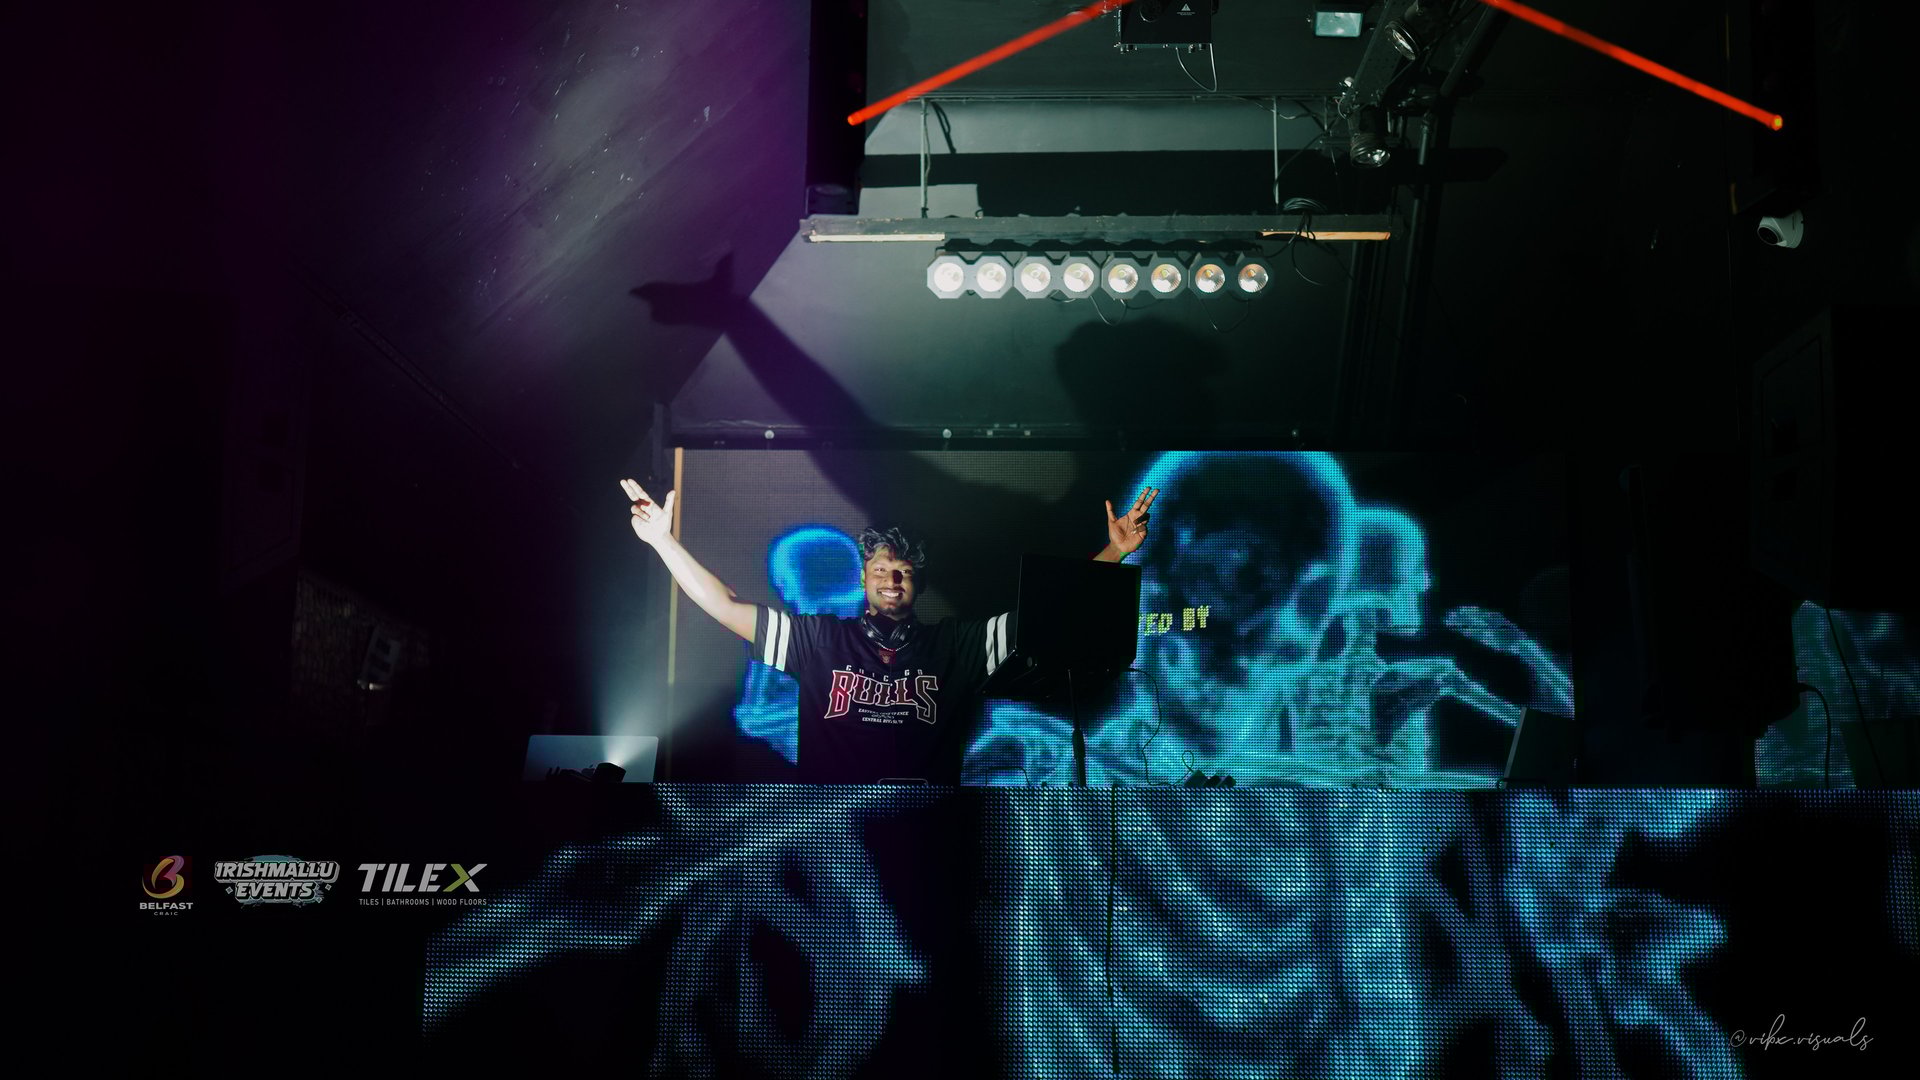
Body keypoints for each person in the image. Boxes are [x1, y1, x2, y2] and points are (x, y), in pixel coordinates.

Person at [620, 478, 1157, 783]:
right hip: (834, 835)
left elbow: (1046, 613)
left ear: (917, 582)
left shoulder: (955, 645)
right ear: (863, 578)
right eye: (880, 569)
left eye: (902, 571)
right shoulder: (818, 640)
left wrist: (1114, 552)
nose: (891, 580)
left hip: (927, 831)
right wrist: (663, 541)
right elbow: (724, 604)